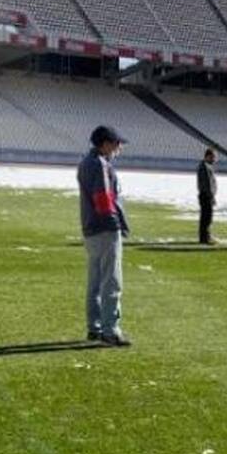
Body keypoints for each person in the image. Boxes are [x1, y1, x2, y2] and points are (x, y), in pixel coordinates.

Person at [78, 125, 131, 347]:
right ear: (105, 143)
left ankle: (95, 326)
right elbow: (103, 197)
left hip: (91, 228)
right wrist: (114, 223)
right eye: (116, 143)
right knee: (112, 280)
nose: (119, 148)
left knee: (96, 280)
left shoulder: (86, 163)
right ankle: (110, 329)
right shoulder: (100, 165)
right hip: (104, 228)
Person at [196, 148, 218, 245]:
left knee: (206, 217)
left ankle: (205, 236)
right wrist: (211, 196)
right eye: (213, 157)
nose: (214, 159)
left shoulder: (206, 166)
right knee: (207, 217)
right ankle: (205, 238)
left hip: (206, 194)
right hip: (206, 195)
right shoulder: (205, 167)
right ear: (208, 156)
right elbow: (208, 183)